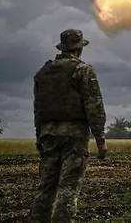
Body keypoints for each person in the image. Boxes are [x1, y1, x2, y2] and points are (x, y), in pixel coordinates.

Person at [29, 29, 107, 223]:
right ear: (79, 49)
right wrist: (100, 140)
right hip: (74, 136)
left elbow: (38, 109)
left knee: (46, 186)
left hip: (48, 135)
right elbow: (94, 106)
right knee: (68, 187)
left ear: (62, 47)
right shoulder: (83, 70)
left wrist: (40, 137)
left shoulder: (43, 73)